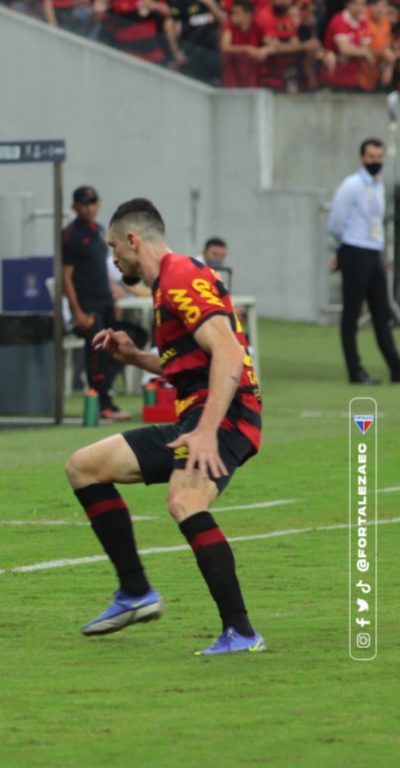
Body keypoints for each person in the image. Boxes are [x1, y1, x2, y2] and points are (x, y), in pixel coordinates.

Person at [65, 197, 266, 655]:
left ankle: (241, 632)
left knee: (185, 500)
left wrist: (207, 430)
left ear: (134, 241)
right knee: (84, 466)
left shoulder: (178, 276)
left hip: (226, 413)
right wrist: (136, 357)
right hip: (199, 414)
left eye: (115, 248)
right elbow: (193, 360)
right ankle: (135, 593)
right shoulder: (173, 281)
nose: (113, 260)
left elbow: (230, 354)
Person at [327, 138, 400, 384]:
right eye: (371, 157)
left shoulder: (378, 186)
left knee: (382, 312)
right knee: (352, 313)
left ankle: (395, 367)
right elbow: (336, 222)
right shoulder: (352, 185)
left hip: (373, 251)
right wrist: (342, 250)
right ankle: (355, 370)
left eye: (379, 157)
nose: (375, 162)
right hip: (355, 250)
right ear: (362, 158)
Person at [62, 185, 131, 421]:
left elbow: (100, 269)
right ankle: (101, 403)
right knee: (98, 352)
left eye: (93, 203)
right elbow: (66, 277)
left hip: (105, 301)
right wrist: (77, 311)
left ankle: (107, 396)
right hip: (87, 305)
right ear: (74, 207)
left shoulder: (99, 231)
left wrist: (113, 295)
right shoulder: (71, 235)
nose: (90, 208)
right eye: (84, 204)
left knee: (123, 343)